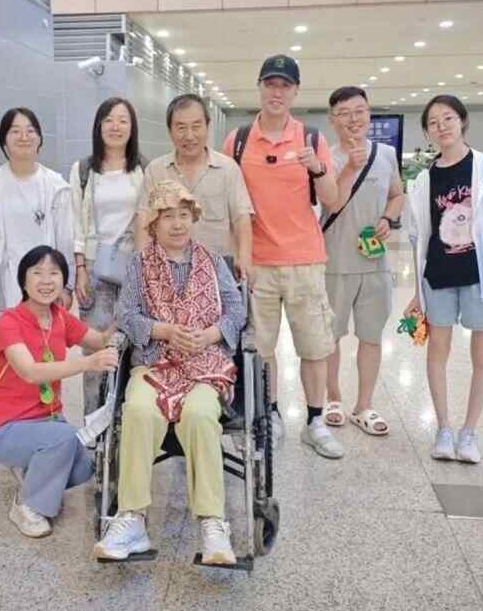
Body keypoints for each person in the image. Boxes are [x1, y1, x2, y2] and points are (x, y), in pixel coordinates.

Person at [94, 181, 246, 565]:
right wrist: (163, 331)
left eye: (183, 215)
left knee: (200, 414)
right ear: (154, 224)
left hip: (204, 365)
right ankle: (132, 519)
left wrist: (210, 335)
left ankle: (213, 523)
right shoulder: (139, 264)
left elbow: (236, 310)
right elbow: (126, 315)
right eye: (167, 217)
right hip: (155, 363)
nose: (177, 224)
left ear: (193, 219)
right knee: (138, 410)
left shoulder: (213, 261)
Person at [222, 54, 343, 459]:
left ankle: (315, 420)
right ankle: (270, 415)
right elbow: (229, 203)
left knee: (315, 346)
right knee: (263, 350)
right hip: (256, 264)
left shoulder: (311, 138)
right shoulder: (238, 141)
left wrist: (318, 169)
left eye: (285, 86)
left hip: (305, 261)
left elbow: (332, 200)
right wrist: (237, 256)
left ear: (295, 92)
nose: (277, 92)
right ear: (259, 87)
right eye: (270, 84)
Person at [405, 95, 483, 464]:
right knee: (437, 352)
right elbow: (418, 238)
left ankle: (469, 432)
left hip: (482, 275)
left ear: (462, 121)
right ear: (427, 132)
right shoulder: (424, 180)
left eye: (448, 118)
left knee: (482, 355)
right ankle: (443, 428)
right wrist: (417, 293)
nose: (442, 126)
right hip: (439, 276)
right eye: (433, 122)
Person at [0, 246, 119, 538]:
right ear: (24, 281)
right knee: (65, 438)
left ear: (63, 280)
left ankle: (33, 474)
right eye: (37, 273)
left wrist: (128, 316)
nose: (46, 281)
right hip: (5, 427)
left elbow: (100, 340)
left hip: (47, 421)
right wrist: (86, 363)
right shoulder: (9, 321)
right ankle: (27, 505)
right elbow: (30, 372)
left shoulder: (60, 317)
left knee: (83, 467)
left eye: (54, 273)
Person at [321, 87, 404, 435]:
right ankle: (333, 398)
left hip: (374, 263)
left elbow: (397, 195)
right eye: (344, 113)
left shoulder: (385, 154)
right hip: (334, 263)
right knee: (330, 337)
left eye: (359, 111)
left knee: (371, 336)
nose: (353, 119)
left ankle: (364, 405)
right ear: (332, 120)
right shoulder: (325, 158)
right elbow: (331, 204)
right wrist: (349, 168)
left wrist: (387, 218)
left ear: (369, 115)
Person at [69, 98, 145, 418]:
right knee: (95, 351)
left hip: (133, 271)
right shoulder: (83, 170)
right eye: (109, 120)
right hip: (94, 271)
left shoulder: (143, 169)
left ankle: (125, 423)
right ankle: (92, 424)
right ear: (98, 126)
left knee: (133, 348)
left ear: (132, 128)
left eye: (123, 120)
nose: (116, 126)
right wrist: (79, 268)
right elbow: (76, 221)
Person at [0, 108, 74, 322]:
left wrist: (67, 287)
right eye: (15, 131)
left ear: (40, 140)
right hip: (5, 284)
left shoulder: (56, 186)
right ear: (4, 141)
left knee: (45, 340)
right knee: (9, 339)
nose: (24, 137)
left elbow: (66, 239)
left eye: (30, 131)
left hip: (47, 286)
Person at [135, 93, 253, 281]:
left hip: (217, 271)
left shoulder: (228, 169)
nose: (189, 136)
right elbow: (143, 219)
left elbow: (241, 218)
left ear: (207, 127)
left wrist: (245, 257)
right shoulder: (156, 171)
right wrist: (142, 267)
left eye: (196, 126)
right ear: (170, 131)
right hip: (167, 273)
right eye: (181, 128)